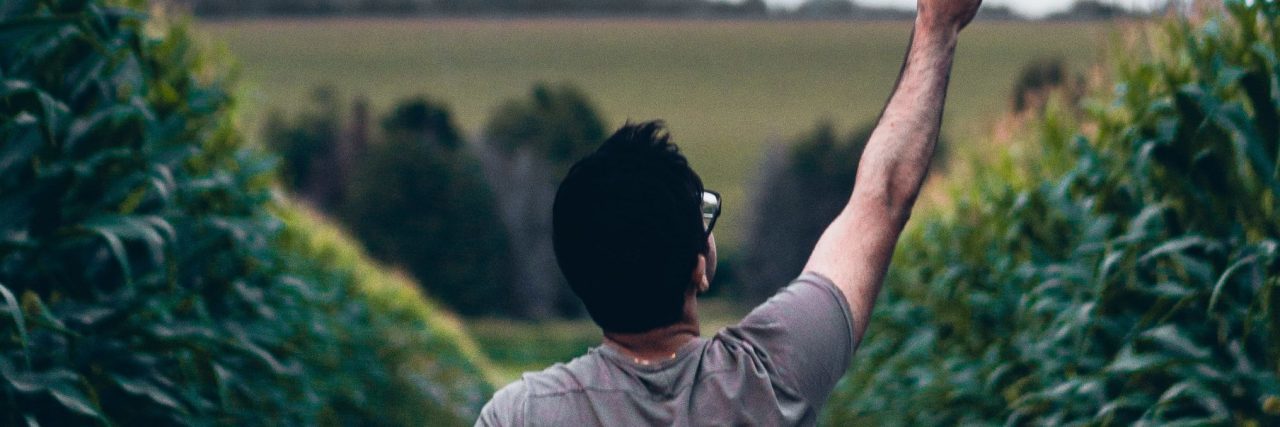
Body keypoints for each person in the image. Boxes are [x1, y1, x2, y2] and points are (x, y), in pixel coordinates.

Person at [477, 0, 983, 425]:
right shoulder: (771, 377)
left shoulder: (521, 415)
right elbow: (884, 199)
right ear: (699, 266)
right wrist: (938, 26)